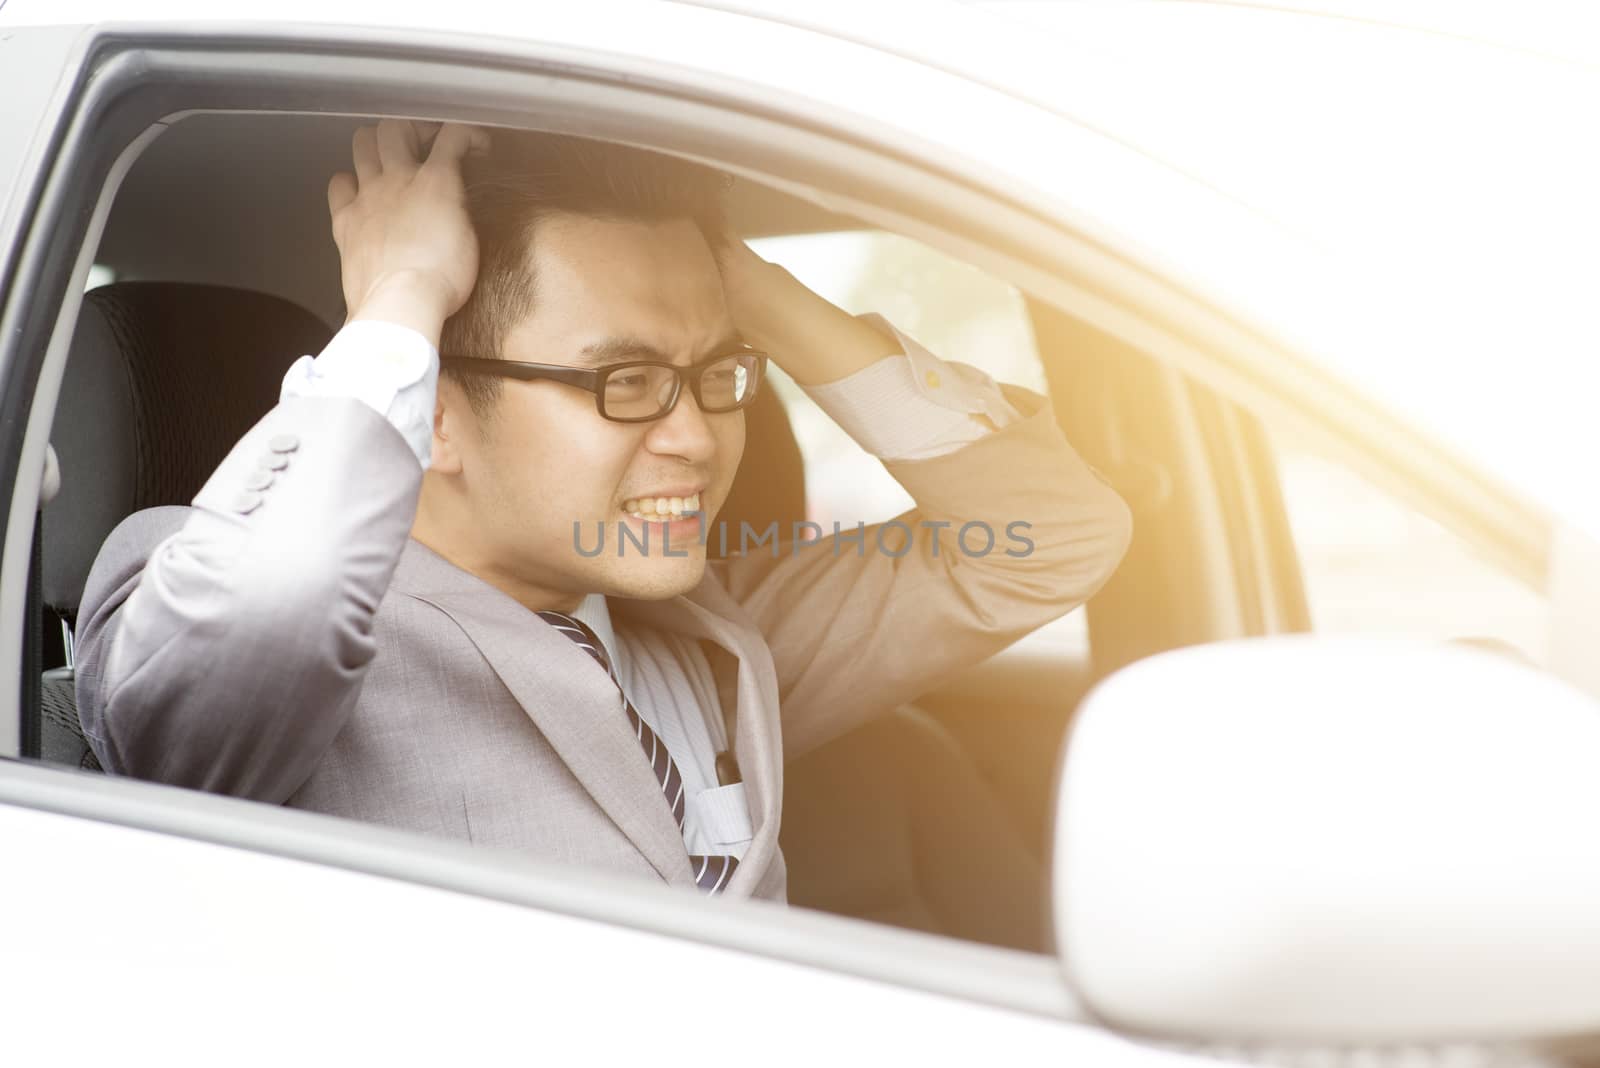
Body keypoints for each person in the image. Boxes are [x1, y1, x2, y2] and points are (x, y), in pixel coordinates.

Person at [74, 120, 1132, 900]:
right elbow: (274, 606)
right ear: (432, 416)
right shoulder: (189, 596)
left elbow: (1055, 539)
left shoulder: (716, 639)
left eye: (717, 379)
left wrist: (737, 292)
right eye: (624, 383)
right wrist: (399, 297)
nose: (698, 436)